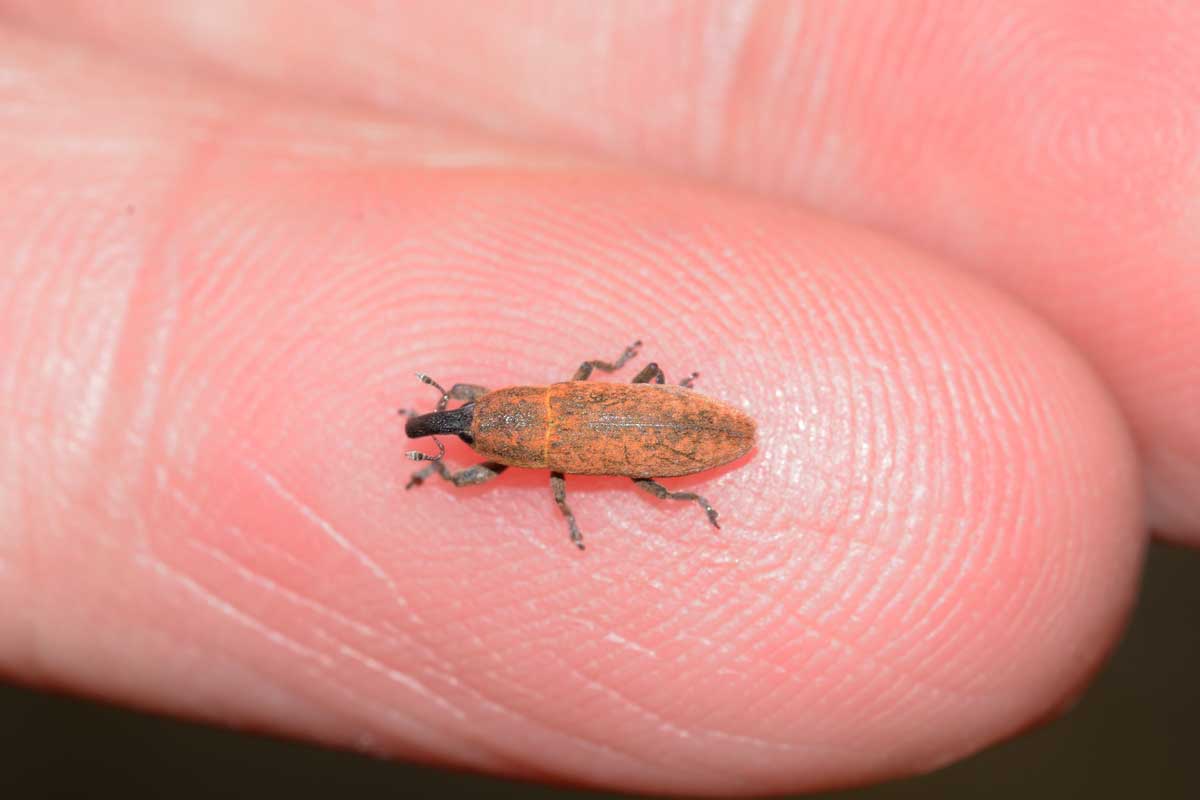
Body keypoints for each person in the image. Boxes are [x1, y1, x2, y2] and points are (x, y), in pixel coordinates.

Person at [0, 3, 1194, 795]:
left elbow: (511, 434)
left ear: (511, 419)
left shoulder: (546, 437)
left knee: (643, 451)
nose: (455, 421)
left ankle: (695, 493)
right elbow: (499, 429)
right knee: (638, 448)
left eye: (458, 416)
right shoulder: (539, 429)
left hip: (665, 433)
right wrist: (448, 440)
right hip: (646, 430)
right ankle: (693, 493)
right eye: (459, 423)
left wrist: (471, 447)